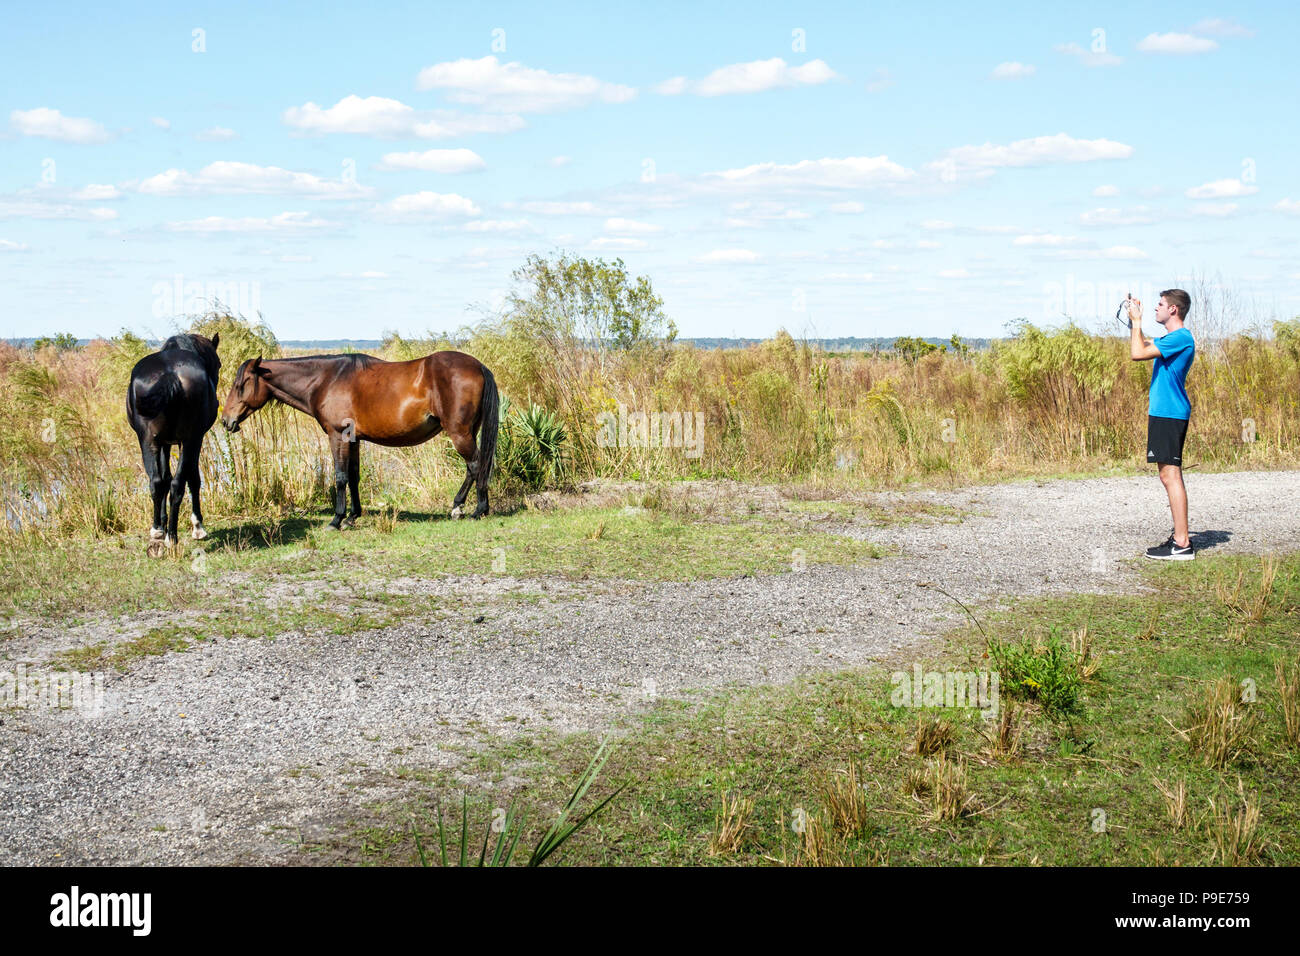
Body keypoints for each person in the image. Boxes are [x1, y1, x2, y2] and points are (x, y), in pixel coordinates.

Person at [1127, 289, 1195, 559]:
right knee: (1167, 475)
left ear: (1173, 310)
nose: (1157, 308)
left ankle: (1182, 543)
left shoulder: (1180, 338)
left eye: (1160, 305)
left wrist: (1136, 323)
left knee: (1171, 475)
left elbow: (1136, 353)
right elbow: (1143, 345)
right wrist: (1136, 319)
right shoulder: (1172, 339)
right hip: (1164, 413)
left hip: (1170, 413)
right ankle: (1181, 539)